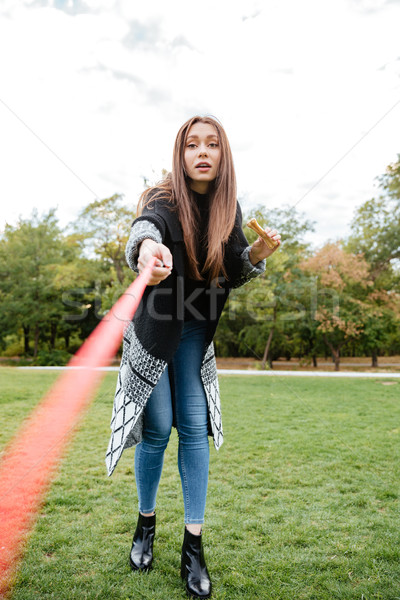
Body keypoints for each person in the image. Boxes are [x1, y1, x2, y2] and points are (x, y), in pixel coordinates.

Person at [105, 115, 281, 599]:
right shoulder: (162, 199)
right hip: (155, 329)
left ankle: (193, 546)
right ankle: (145, 524)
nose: (201, 152)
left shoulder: (229, 208)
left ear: (223, 155)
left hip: (197, 333)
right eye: (191, 145)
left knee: (195, 428)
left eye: (212, 145)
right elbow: (144, 232)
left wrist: (256, 254)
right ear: (180, 155)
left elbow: (233, 269)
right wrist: (145, 251)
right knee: (158, 427)